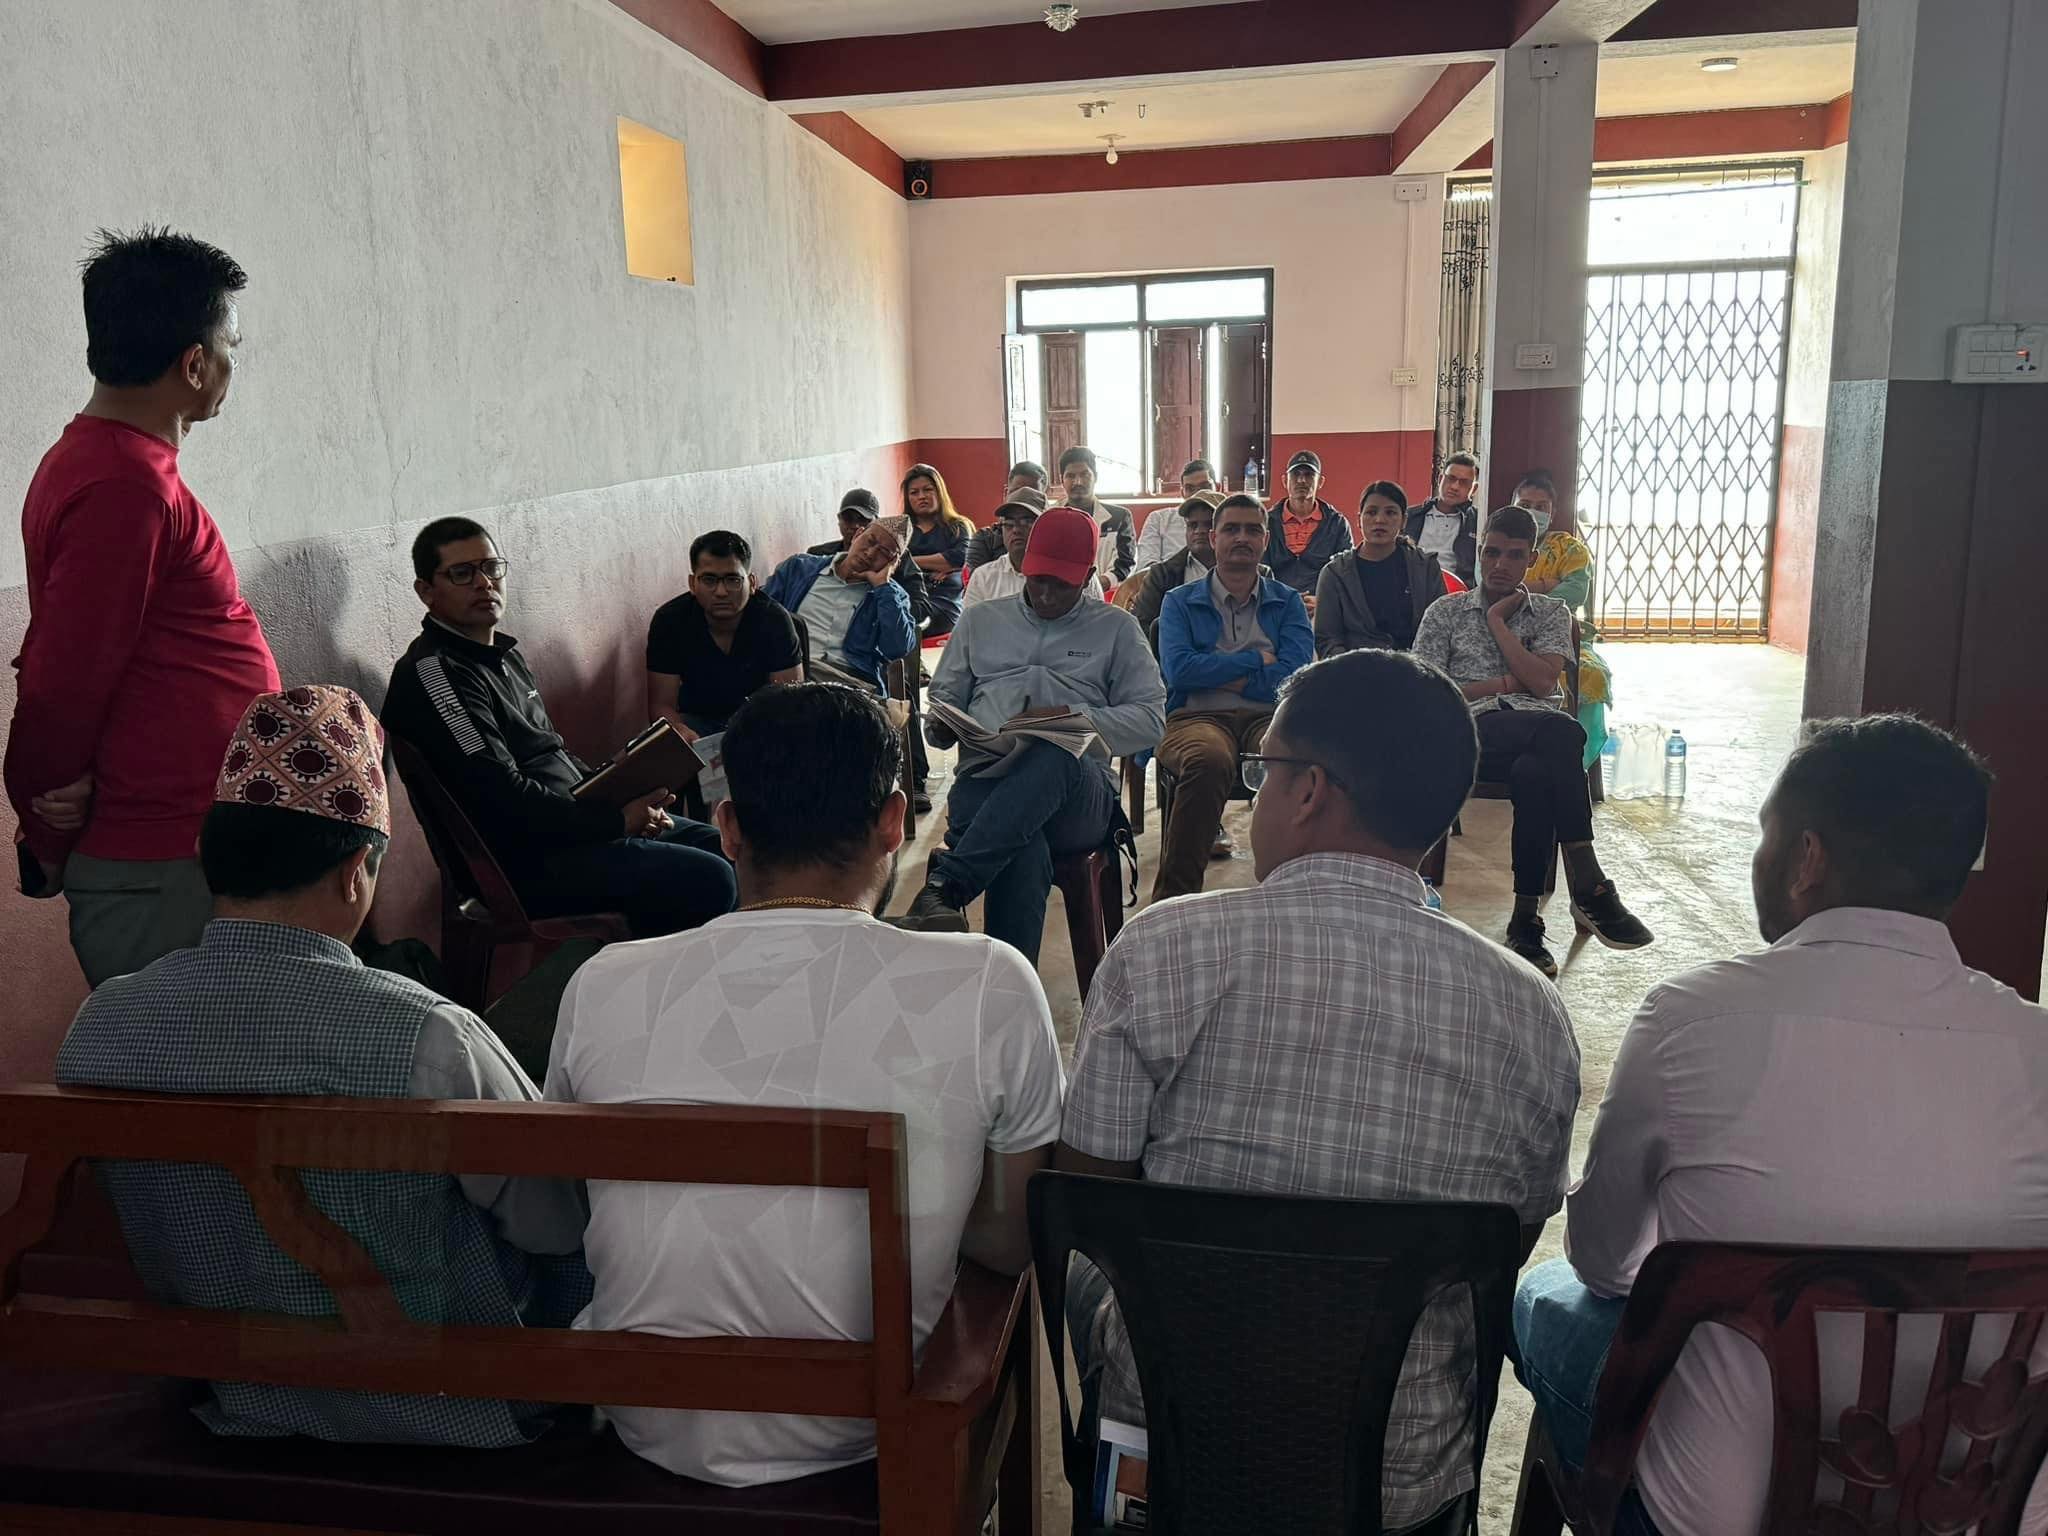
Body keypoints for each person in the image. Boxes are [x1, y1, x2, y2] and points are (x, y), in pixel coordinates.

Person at [1059, 650, 1580, 1536]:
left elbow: (1087, 1198)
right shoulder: (1530, 1011)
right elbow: (1504, 1245)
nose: (1255, 795)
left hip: (1172, 1474)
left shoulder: (1160, 950)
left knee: (1080, 1260)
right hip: (1399, 1493)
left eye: (1262, 771)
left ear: (1307, 790)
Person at [1515, 715, 2048, 1536]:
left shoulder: (1692, 1018)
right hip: (1978, 1507)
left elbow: (1604, 1262)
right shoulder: (2036, 1048)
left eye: (1765, 836)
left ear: (1807, 857)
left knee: (1547, 1292)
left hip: (1716, 1513)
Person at [545, 682, 1065, 1487]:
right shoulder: (989, 983)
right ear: (893, 822)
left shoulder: (602, 984)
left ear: (727, 828)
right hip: (868, 1439)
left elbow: (573, 1206)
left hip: (645, 1426)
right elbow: (1009, 1243)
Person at [55, 685, 588, 1446]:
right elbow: (556, 1223)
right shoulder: (430, 1037)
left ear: (206, 856)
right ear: (354, 872)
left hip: (234, 1397)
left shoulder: (103, 1024)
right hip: (454, 1407)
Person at [7, 227, 280, 986]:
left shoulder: (112, 463)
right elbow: (62, 680)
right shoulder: (125, 485)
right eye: (230, 346)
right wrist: (44, 819)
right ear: (194, 364)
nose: (232, 364)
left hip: (178, 849)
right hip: (158, 861)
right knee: (186, 1054)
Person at [382, 517, 736, 939]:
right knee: (710, 878)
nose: (484, 583)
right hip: (528, 862)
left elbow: (552, 756)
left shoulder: (504, 657)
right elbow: (500, 797)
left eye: (491, 567)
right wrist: (614, 822)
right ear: (426, 591)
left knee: (729, 847)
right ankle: (646, 973)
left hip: (575, 829)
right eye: (462, 573)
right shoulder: (437, 674)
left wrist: (624, 797)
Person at [905, 508, 1165, 959]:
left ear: (1087, 577)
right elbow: (943, 702)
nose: (1045, 594)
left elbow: (1151, 719)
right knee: (1022, 848)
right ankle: (1011, 992)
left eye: (1061, 585)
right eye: (1038, 579)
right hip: (986, 782)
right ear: (1024, 564)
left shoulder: (1116, 629)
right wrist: (943, 727)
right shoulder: (980, 621)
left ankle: (947, 885)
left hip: (1077, 798)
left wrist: (1074, 717)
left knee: (1055, 752)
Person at [1411, 507, 1651, 976]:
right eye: (1492, 552)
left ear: (1532, 559)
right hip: (1469, 732)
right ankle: (1588, 880)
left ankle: (1525, 919)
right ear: (1480, 553)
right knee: (1565, 732)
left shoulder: (1551, 612)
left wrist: (1498, 623)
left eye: (1514, 555)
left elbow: (1542, 684)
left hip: (1537, 740)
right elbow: (1428, 690)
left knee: (1537, 772)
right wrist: (1502, 684)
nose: (1500, 564)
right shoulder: (1446, 611)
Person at [1152, 494, 1312, 901]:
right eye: (1231, 529)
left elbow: (1294, 678)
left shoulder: (1288, 602)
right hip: (1195, 718)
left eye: (1253, 530)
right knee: (1208, 760)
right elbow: (1180, 671)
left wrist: (1222, 676)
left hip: (1270, 717)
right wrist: (1255, 660)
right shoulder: (1178, 602)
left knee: (1294, 760)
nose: (1242, 538)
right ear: (1213, 538)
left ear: (1266, 540)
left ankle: (1293, 898)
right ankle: (1173, 903)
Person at [644, 529, 803, 743]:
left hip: (760, 723)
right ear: (692, 584)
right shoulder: (670, 621)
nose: (721, 592)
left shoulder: (774, 621)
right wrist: (677, 731)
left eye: (733, 580)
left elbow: (790, 704)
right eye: (709, 580)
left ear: (752, 583)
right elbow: (661, 705)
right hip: (697, 723)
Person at [1512, 468, 1610, 770]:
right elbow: (1493, 587)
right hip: (1507, 633)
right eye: (1525, 505)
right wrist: (1547, 584)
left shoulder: (1570, 548)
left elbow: (1574, 592)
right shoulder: (1499, 543)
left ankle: (1575, 763)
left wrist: (1525, 590)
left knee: (1590, 675)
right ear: (1512, 505)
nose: (1533, 512)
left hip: (1563, 634)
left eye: (1541, 506)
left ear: (1552, 513)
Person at [763, 517, 919, 693]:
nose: (870, 554)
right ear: (857, 535)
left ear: (893, 563)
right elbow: (762, 613)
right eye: (870, 541)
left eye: (883, 552)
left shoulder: (891, 596)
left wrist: (883, 587)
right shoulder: (800, 568)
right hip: (793, 673)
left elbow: (897, 648)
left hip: (850, 684)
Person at [1314, 480, 1448, 656]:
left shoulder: (1425, 568)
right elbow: (1327, 639)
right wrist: (1352, 667)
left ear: (1404, 521)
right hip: (1355, 668)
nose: (1379, 520)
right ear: (1359, 520)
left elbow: (1441, 629)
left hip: (1415, 667)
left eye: (1390, 512)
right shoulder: (1335, 574)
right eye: (1371, 512)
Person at [807, 486, 931, 634]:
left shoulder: (897, 560)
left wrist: (883, 593)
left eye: (863, 520)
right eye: (849, 518)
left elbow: (920, 609)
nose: (855, 525)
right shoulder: (817, 556)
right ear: (839, 519)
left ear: (875, 523)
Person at [961, 489, 1102, 611]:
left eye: (1027, 522)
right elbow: (970, 628)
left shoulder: (1076, 576)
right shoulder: (983, 578)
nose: (1016, 530)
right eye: (1009, 524)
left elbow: (1096, 623)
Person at [1264, 449, 1353, 610]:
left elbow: (1346, 574)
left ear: (1320, 482)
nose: (1301, 480)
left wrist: (1322, 601)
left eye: (1309, 475)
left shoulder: (1337, 524)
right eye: (1295, 474)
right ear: (1285, 481)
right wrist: (1285, 599)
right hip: (1275, 606)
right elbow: (1257, 570)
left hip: (1323, 609)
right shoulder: (1266, 523)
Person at [1129, 492, 1225, 638]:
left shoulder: (1248, 571)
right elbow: (1140, 630)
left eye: (1209, 525)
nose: (1199, 531)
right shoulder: (1161, 575)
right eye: (1192, 525)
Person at [899, 463, 974, 638]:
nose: (922, 496)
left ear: (939, 492)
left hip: (945, 603)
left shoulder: (958, 526)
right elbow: (888, 562)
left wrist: (908, 562)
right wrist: (940, 563)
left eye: (928, 490)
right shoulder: (901, 529)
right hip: (908, 598)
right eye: (914, 492)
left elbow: (961, 557)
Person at [1058, 446, 1136, 583]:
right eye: (1071, 476)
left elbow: (1126, 563)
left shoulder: (1119, 517)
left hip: (1107, 592)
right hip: (1058, 593)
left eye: (1085, 475)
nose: (1078, 482)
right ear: (1061, 480)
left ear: (1096, 477)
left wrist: (1096, 586)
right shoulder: (1049, 518)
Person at [1406, 452, 1481, 589]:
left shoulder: (1478, 523)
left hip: (1458, 593)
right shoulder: (1410, 517)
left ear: (1474, 489)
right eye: (1451, 479)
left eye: (1464, 483)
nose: (1454, 487)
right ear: (1440, 479)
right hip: (1412, 588)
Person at [1132, 458, 1218, 569]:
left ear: (1218, 487)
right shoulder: (1159, 519)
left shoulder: (1230, 519)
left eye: (1204, 487)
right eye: (1190, 489)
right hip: (1169, 578)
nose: (1197, 494)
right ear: (1182, 493)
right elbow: (1146, 565)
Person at [966, 460, 1051, 571]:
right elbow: (975, 578)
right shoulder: (985, 539)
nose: (1021, 497)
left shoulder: (1053, 541)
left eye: (1031, 493)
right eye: (1016, 491)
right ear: (1006, 494)